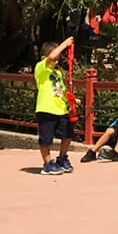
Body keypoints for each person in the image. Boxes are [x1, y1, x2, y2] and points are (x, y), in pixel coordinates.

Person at [35, 35, 74, 175]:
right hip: (46, 108)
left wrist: (70, 100)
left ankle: (62, 158)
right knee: (46, 138)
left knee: (68, 135)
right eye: (55, 58)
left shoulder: (57, 72)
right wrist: (64, 44)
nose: (56, 61)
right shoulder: (41, 68)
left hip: (61, 109)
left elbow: (61, 90)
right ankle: (47, 163)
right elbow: (51, 57)